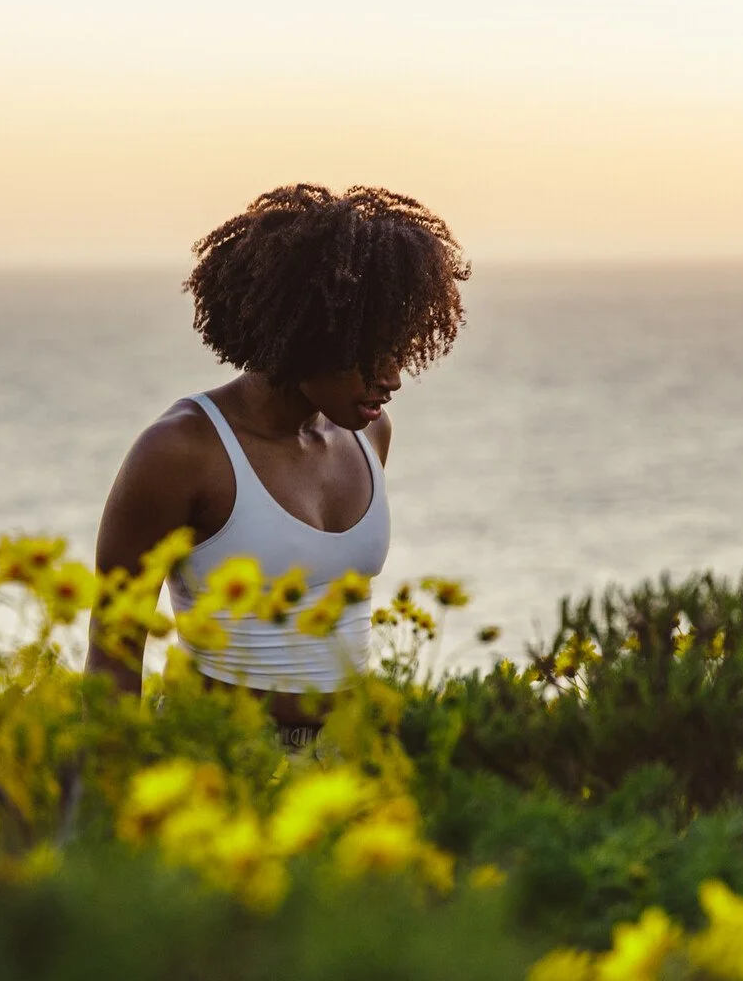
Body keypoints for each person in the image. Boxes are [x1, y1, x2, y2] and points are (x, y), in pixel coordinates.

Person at [84, 183, 470, 747]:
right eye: (371, 353)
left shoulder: (368, 436)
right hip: (221, 756)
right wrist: (106, 795)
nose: (392, 378)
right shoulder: (181, 452)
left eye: (400, 349)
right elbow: (114, 644)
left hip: (353, 757)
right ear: (312, 335)